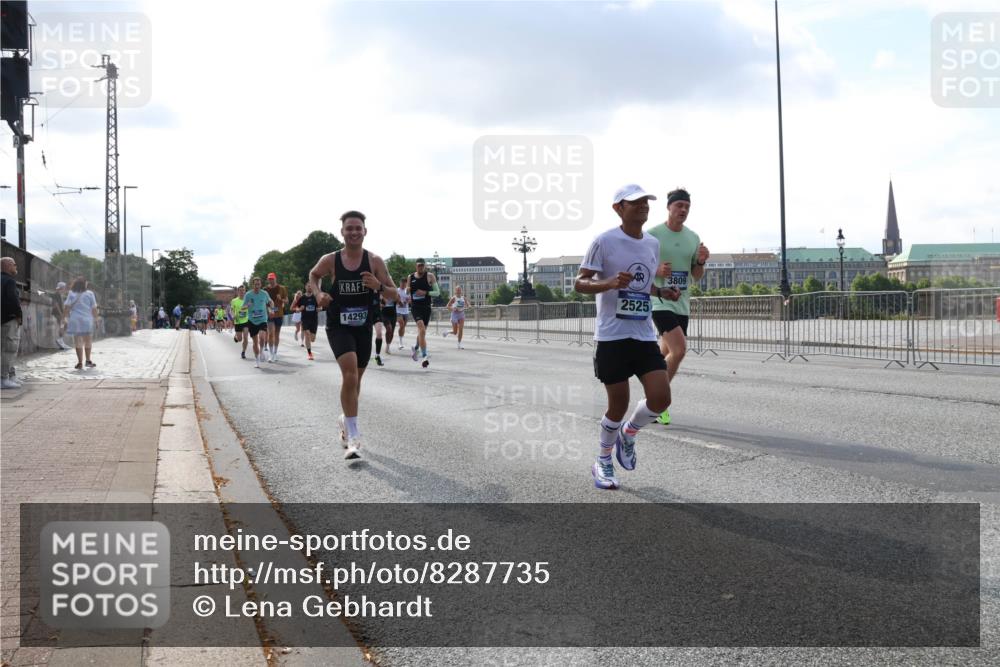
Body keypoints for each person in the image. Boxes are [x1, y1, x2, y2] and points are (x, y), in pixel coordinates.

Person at [574, 184, 679, 490]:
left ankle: (628, 435)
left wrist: (661, 291)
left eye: (646, 202)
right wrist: (608, 283)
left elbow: (642, 284)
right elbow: (580, 283)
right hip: (612, 336)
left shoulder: (652, 244)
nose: (644, 206)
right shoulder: (604, 241)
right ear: (619, 208)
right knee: (617, 405)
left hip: (643, 334)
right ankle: (603, 460)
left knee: (661, 397)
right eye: (636, 203)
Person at [308, 210, 397, 460]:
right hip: (338, 325)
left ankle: (346, 421)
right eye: (350, 228)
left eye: (358, 228)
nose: (354, 232)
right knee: (348, 374)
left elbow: (395, 295)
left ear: (365, 231)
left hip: (363, 326)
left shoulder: (375, 261)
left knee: (355, 381)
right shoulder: (330, 260)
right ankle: (354, 439)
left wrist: (378, 287)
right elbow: (313, 276)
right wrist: (318, 294)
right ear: (342, 232)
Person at [648, 187, 710, 425]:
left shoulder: (692, 238)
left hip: (682, 303)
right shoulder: (652, 235)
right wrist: (656, 270)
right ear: (669, 207)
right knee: (680, 350)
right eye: (679, 206)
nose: (683, 210)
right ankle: (658, 403)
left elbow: (696, 276)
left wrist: (702, 261)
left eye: (687, 206)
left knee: (663, 355)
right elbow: (637, 266)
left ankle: (650, 395)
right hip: (658, 300)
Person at [64, 276, 100, 370]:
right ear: (84, 284)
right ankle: (88, 361)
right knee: (88, 341)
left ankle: (79, 362)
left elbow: (67, 307)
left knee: (77, 341)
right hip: (86, 320)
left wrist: (64, 319)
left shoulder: (71, 293)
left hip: (75, 319)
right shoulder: (90, 293)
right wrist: (96, 319)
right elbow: (94, 308)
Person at [407, 258, 437, 367]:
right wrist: (407, 290)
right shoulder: (410, 277)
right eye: (419, 265)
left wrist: (425, 292)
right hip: (415, 307)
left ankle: (415, 348)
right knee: (422, 329)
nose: (421, 267)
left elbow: (437, 293)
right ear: (416, 266)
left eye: (422, 266)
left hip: (426, 308)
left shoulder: (430, 276)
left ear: (425, 266)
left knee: (422, 333)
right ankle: (425, 356)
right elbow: (407, 289)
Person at [242, 277, 274, 368]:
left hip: (262, 319)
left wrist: (271, 309)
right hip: (252, 321)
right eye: (255, 284)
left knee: (262, 337)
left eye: (258, 284)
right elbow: (243, 307)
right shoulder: (248, 294)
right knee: (255, 342)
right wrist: (248, 305)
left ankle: (262, 351)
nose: (257, 286)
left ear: (261, 285)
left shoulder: (264, 294)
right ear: (253, 285)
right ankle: (257, 360)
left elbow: (270, 302)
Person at [1, 257, 23, 390]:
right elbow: (13, 300)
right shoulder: (9, 281)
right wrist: (19, 315)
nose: (16, 267)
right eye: (15, 265)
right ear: (8, 266)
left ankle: (10, 375)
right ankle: (4, 378)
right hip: (9, 319)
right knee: (9, 349)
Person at [264, 272, 288, 362]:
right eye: (269, 279)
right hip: (270, 314)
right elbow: (263, 302)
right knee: (270, 334)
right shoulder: (265, 290)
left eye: (272, 278)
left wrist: (281, 299)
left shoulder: (282, 288)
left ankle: (275, 353)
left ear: (275, 279)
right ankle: (270, 354)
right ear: (268, 279)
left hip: (279, 314)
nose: (271, 280)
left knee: (277, 334)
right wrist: (268, 309)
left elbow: (287, 301)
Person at [292, 283, 319, 360]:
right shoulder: (302, 298)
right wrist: (299, 309)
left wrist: (319, 309)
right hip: (305, 319)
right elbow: (293, 308)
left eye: (311, 286)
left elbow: (320, 306)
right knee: (307, 334)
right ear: (305, 287)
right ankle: (310, 354)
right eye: (308, 286)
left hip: (314, 319)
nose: (310, 287)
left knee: (312, 339)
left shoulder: (315, 297)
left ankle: (310, 340)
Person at [231, 285, 250, 359]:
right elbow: (232, 310)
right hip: (238, 321)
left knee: (245, 337)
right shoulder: (234, 301)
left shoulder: (248, 300)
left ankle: (243, 352)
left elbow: (251, 307)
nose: (242, 292)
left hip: (246, 320)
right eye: (240, 290)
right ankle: (236, 336)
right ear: (238, 291)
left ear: (245, 291)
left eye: (243, 290)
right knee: (240, 339)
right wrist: (233, 315)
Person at [53, 281, 71, 350]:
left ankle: (61, 341)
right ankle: (60, 340)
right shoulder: (56, 294)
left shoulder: (60, 294)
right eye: (64, 288)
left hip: (60, 313)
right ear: (61, 288)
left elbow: (62, 305)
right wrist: (61, 314)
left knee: (64, 325)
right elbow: (56, 305)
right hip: (58, 313)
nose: (65, 289)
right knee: (63, 325)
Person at [396, 277, 410, 350]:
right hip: (398, 311)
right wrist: (399, 302)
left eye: (405, 283)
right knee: (401, 325)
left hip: (406, 311)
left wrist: (408, 300)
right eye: (402, 283)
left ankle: (401, 340)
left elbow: (410, 300)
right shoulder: (397, 290)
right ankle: (400, 342)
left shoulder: (407, 291)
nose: (403, 284)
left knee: (403, 327)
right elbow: (394, 299)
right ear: (400, 283)